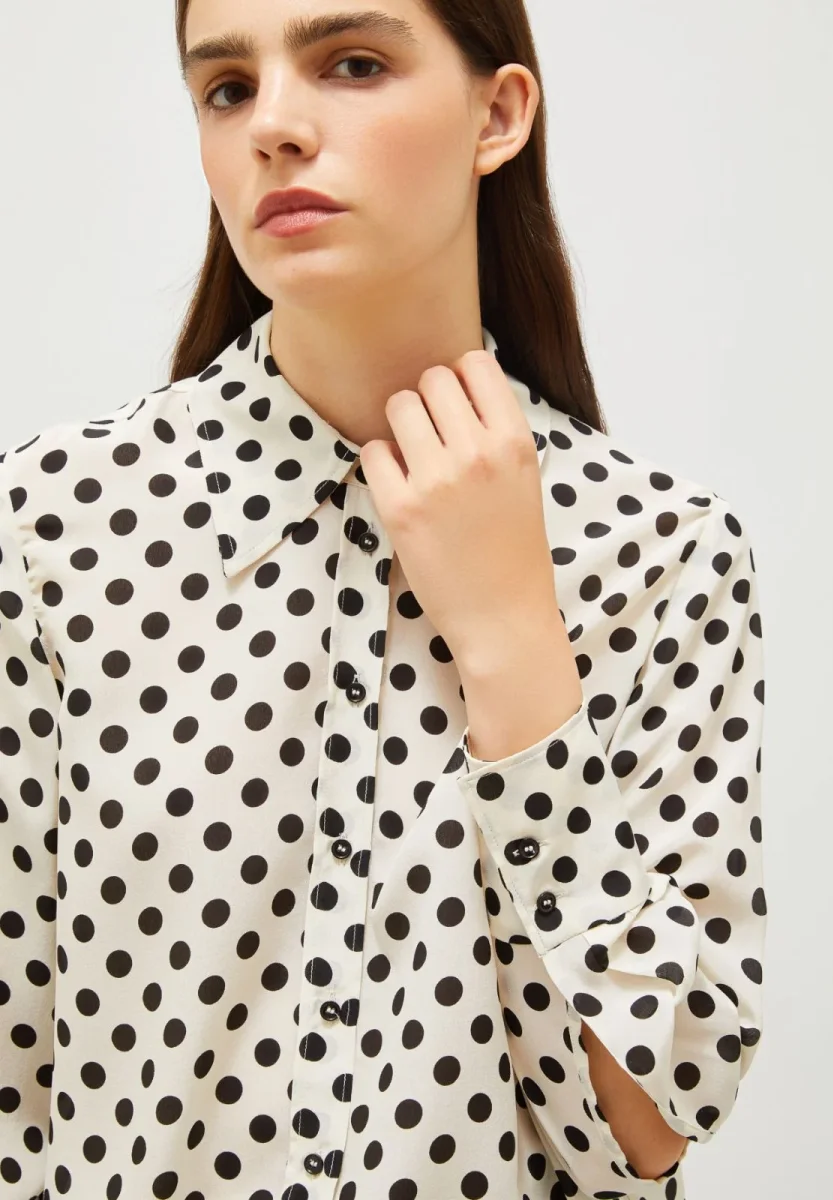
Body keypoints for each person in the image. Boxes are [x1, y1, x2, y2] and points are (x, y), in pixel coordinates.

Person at [0, 2, 767, 1198]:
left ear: (498, 114)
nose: (274, 126)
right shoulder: (52, 528)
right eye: (227, 89)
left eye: (351, 64)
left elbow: (653, 1120)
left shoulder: (660, 556)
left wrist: (511, 639)